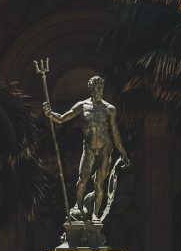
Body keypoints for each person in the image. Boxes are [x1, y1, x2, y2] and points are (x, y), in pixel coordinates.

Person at [49, 74, 128, 225]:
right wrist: (50, 114)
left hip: (106, 147)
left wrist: (122, 151)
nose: (99, 90)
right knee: (82, 179)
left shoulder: (109, 109)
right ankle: (78, 208)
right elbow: (62, 118)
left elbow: (115, 132)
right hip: (89, 147)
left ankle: (96, 214)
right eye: (97, 87)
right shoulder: (82, 106)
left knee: (99, 183)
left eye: (101, 87)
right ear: (91, 89)